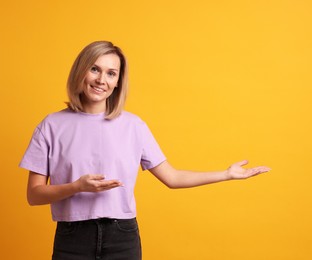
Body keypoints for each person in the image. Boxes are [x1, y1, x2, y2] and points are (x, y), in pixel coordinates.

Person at [19, 41, 271, 260]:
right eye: (94, 69)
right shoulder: (51, 125)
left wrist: (225, 174)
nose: (101, 80)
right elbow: (34, 195)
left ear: (118, 82)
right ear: (80, 71)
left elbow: (172, 178)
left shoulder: (133, 126)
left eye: (111, 73)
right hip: (72, 238)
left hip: (122, 237)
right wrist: (77, 187)